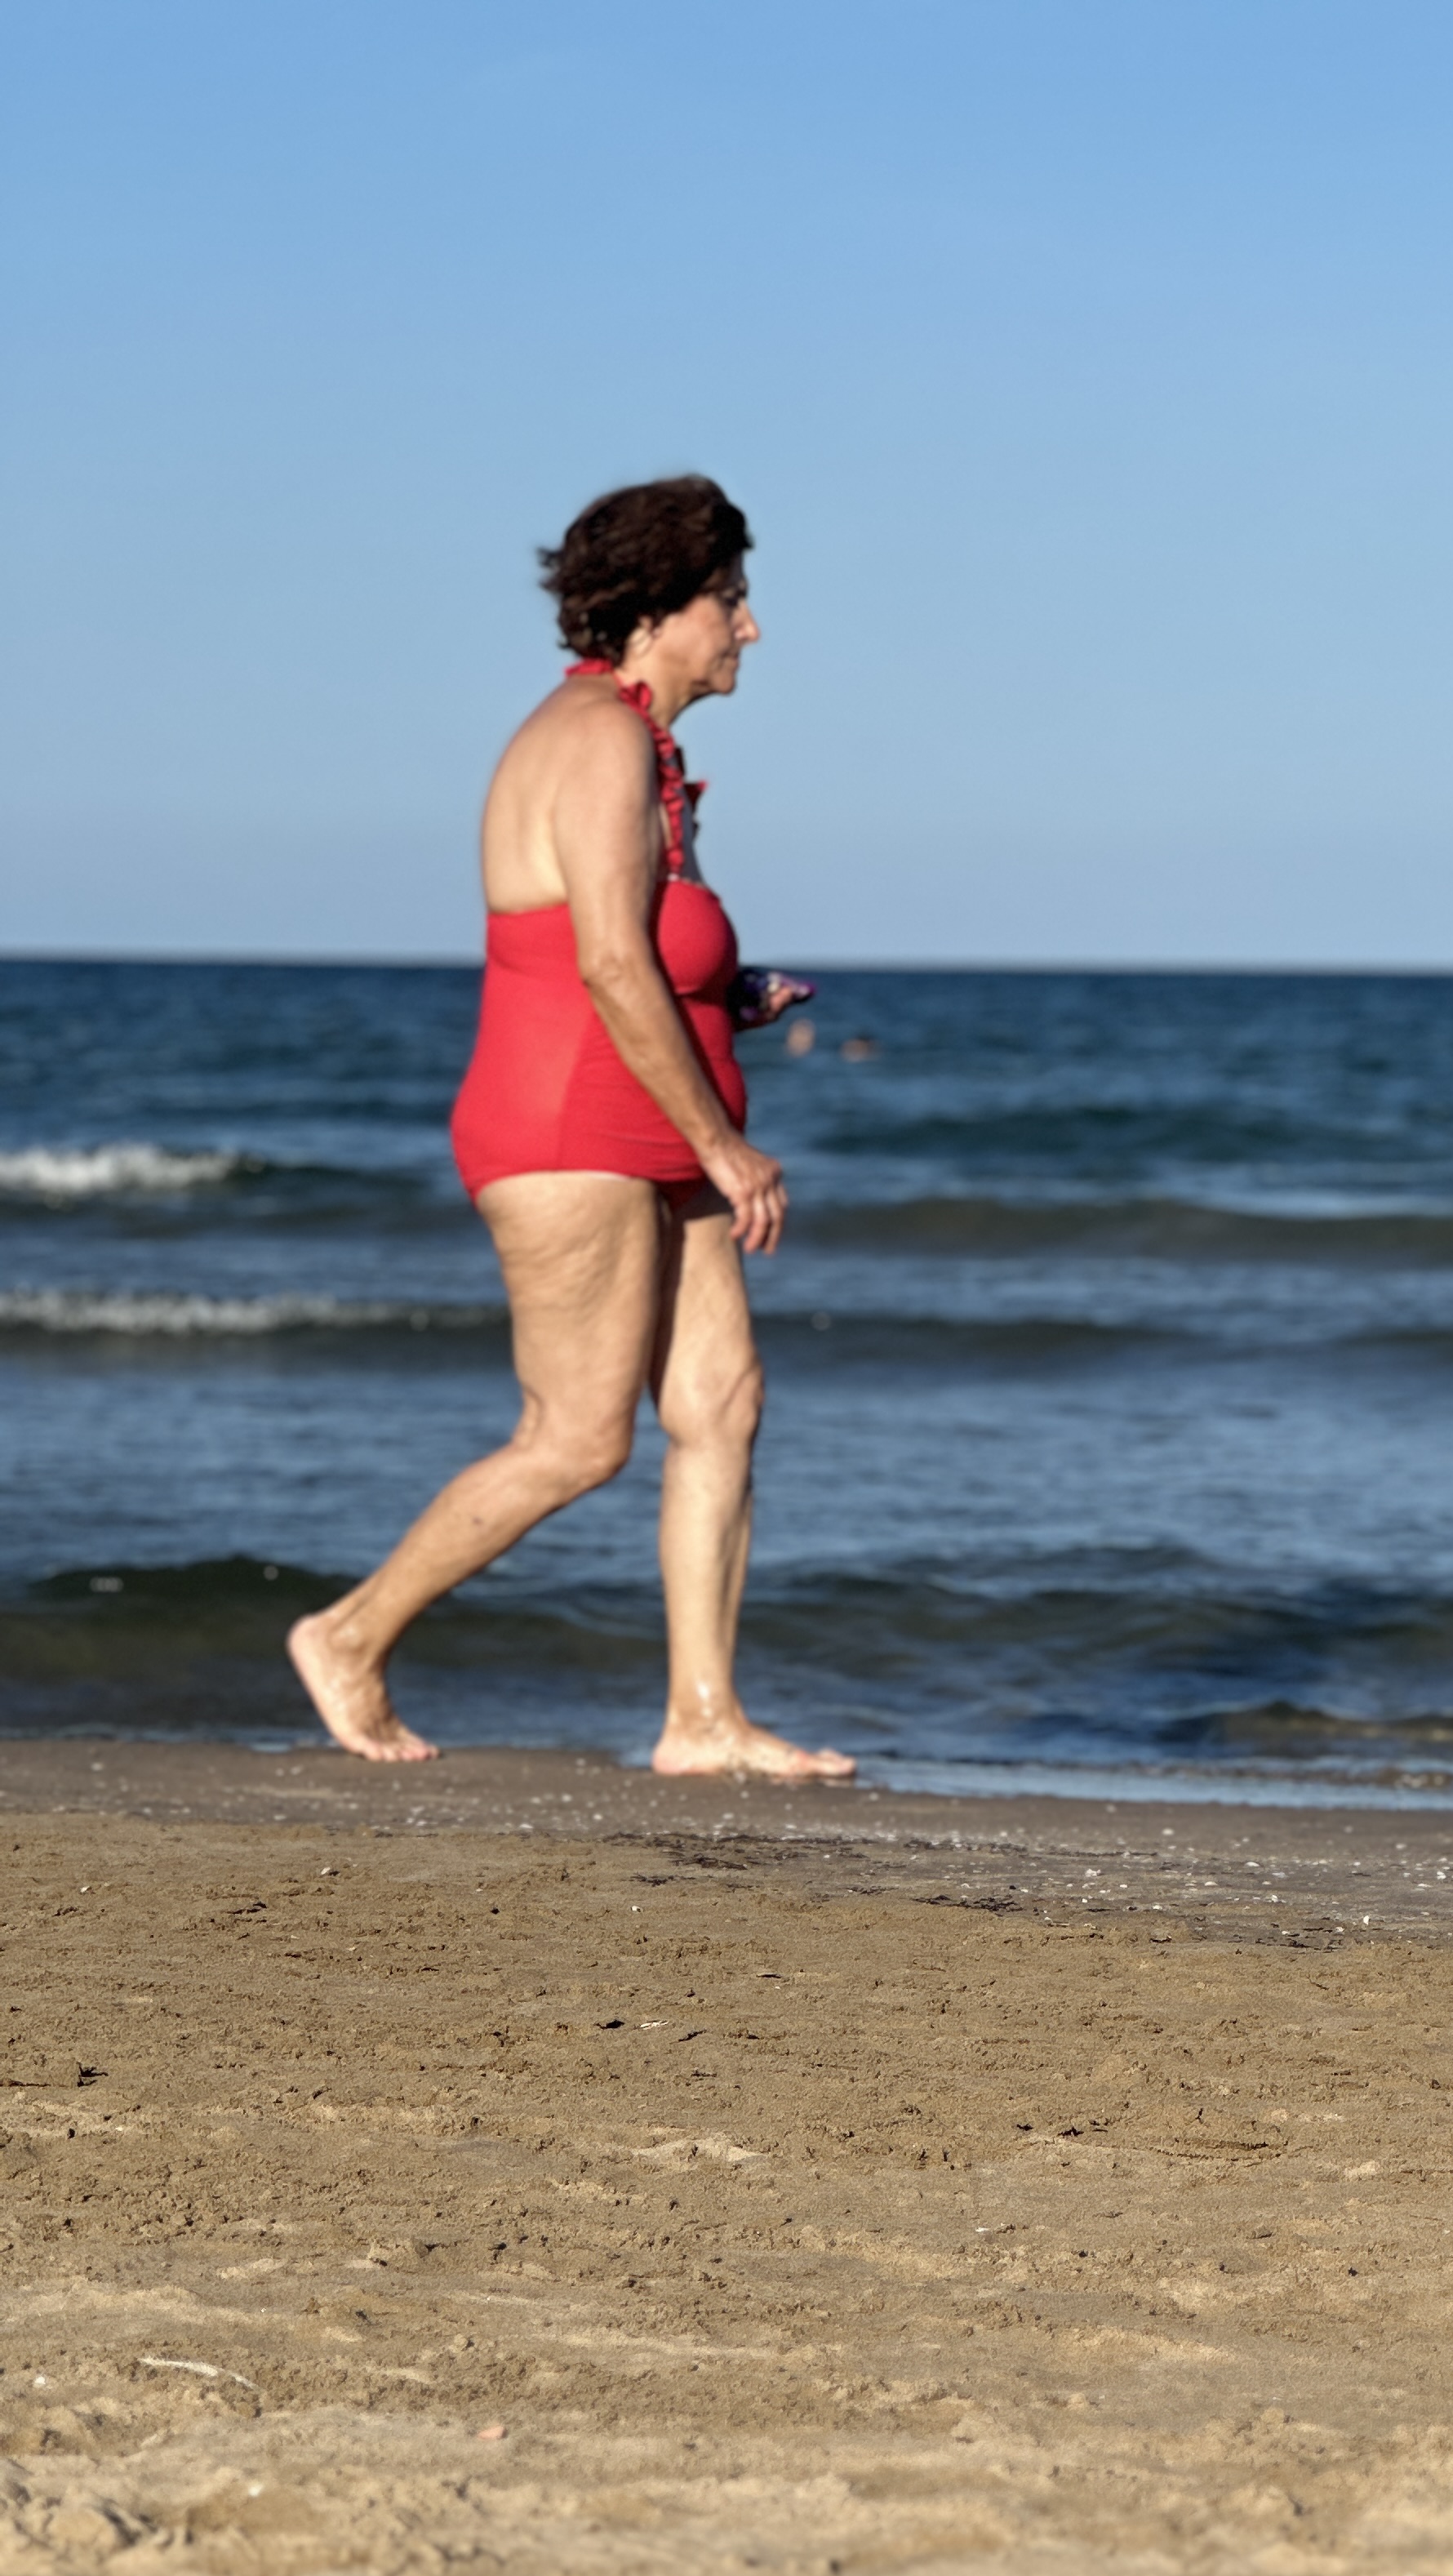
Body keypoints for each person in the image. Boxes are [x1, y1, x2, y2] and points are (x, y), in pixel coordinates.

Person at [288, 475, 852, 1778]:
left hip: (654, 1120)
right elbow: (605, 961)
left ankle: (702, 1720)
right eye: (729, 600)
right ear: (656, 611)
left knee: (722, 1403)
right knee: (578, 1437)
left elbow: (644, 954)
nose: (750, 627)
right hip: (572, 1127)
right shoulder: (596, 739)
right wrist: (725, 1147)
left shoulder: (642, 750)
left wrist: (729, 996)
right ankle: (348, 1636)